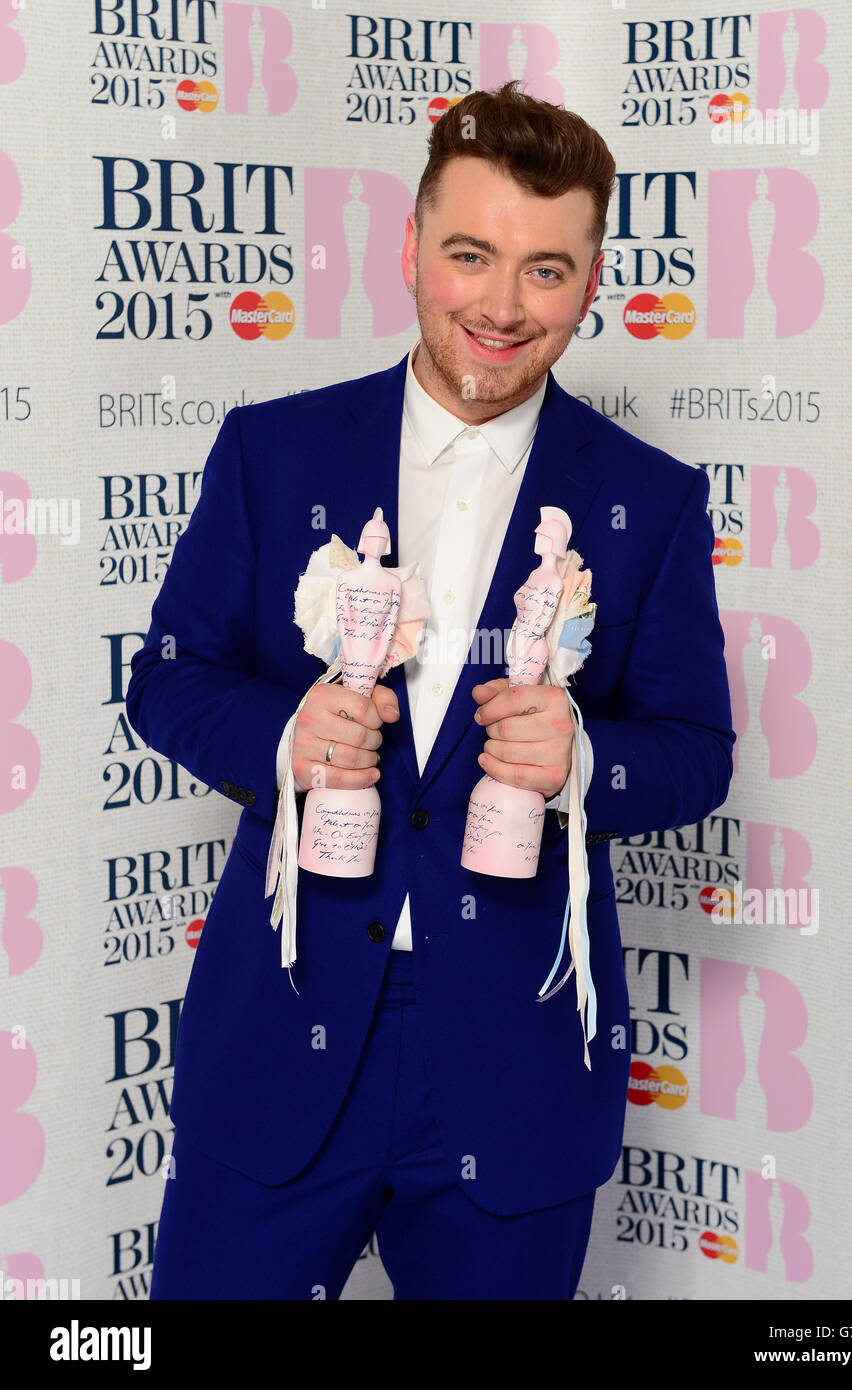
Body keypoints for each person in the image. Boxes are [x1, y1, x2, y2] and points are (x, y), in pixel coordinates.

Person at [125, 80, 735, 1301]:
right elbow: (168, 680)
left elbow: (695, 749)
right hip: (282, 1040)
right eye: (470, 255)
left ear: (594, 282)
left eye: (547, 270)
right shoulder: (273, 449)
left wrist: (584, 763)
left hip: (514, 1065)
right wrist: (286, 733)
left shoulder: (650, 498)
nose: (503, 308)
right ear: (408, 250)